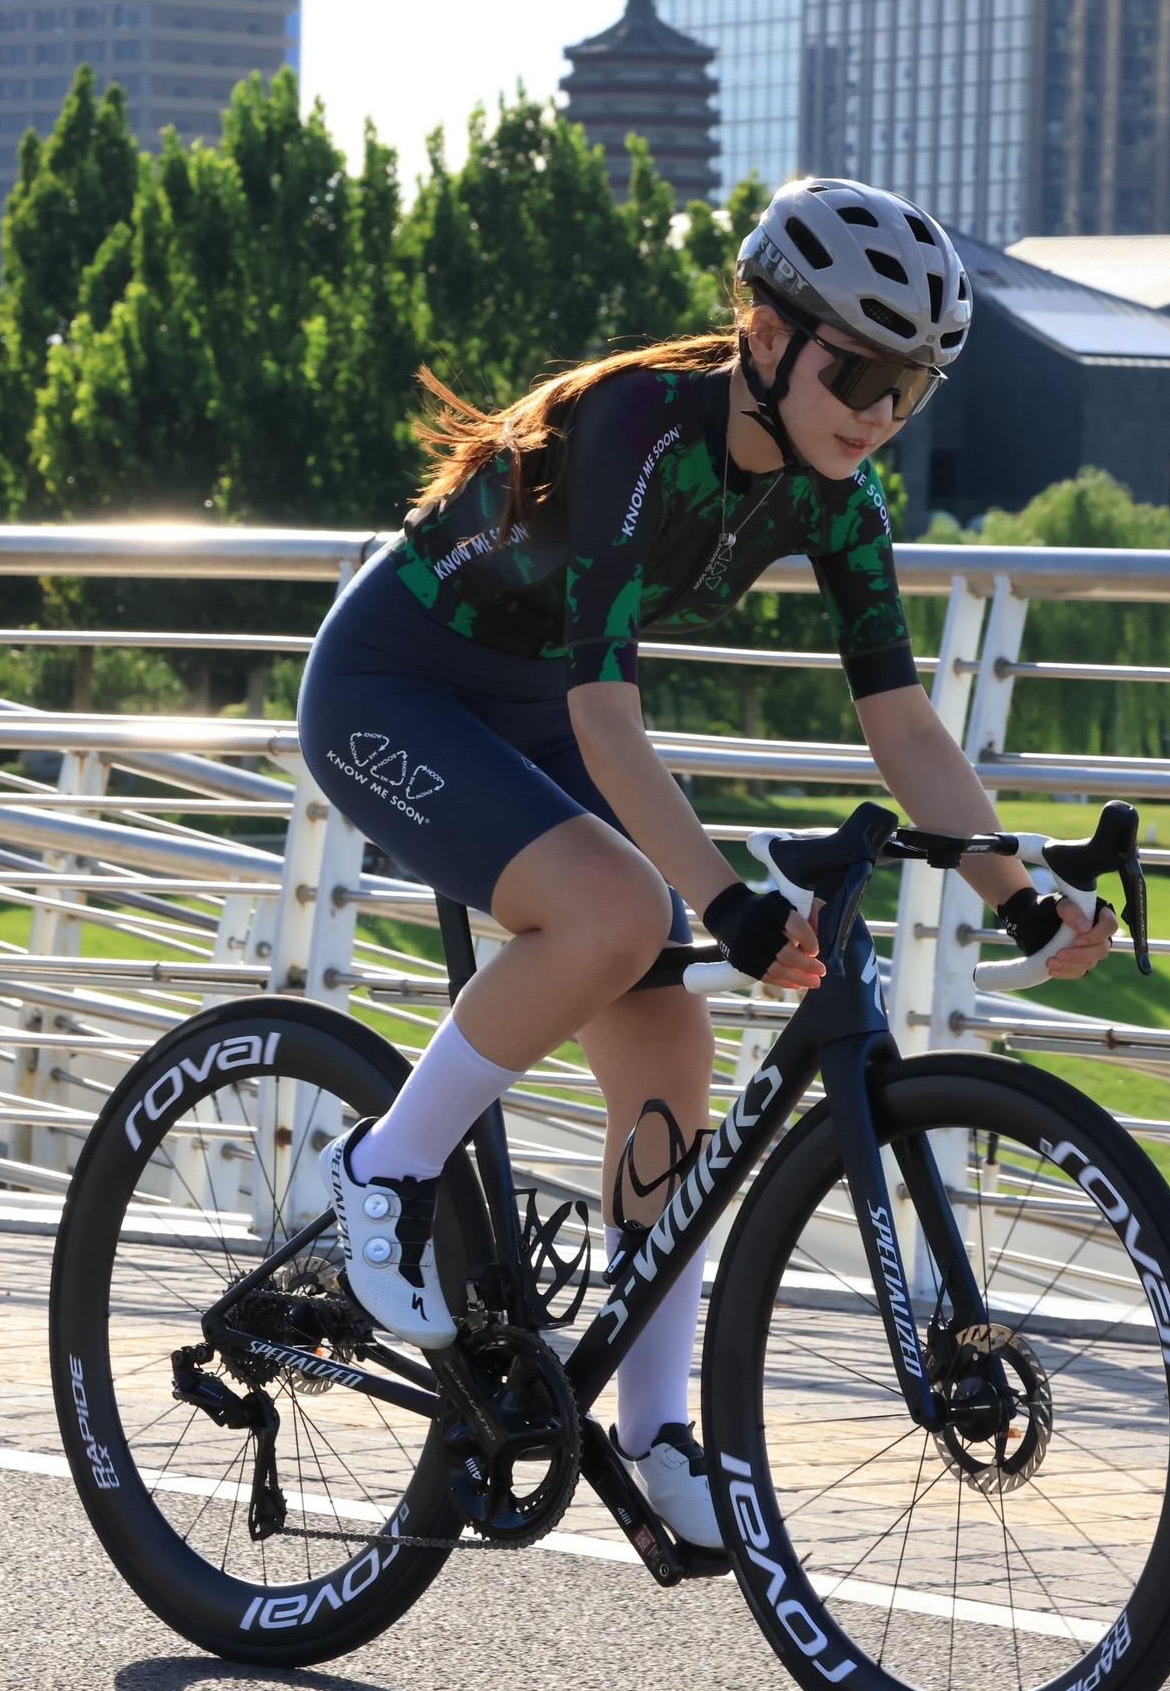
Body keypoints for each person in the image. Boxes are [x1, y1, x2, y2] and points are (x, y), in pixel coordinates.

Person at [296, 176, 1117, 1549]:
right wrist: (726, 903)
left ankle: (655, 1430)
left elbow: (905, 725)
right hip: (394, 689)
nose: (880, 412)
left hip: (532, 712)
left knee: (671, 1046)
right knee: (622, 913)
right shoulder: (641, 429)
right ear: (768, 332)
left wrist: (1020, 897)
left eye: (911, 389)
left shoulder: (839, 500)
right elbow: (608, 716)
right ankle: (384, 1169)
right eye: (859, 372)